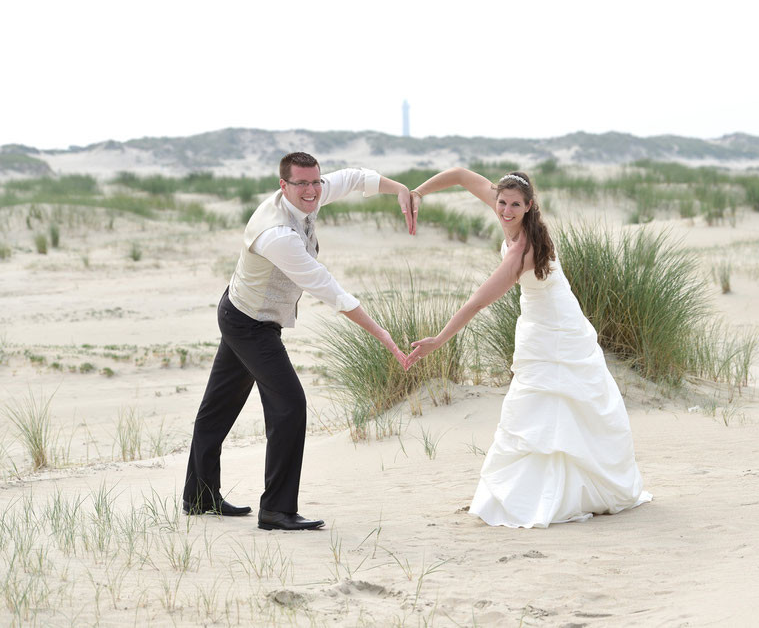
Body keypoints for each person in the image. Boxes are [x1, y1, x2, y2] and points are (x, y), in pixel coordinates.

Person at [406, 168, 651, 528]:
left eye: (514, 206)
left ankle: (557, 491)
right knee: (540, 401)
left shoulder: (523, 252)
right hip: (537, 322)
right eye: (501, 202)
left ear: (529, 206)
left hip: (558, 328)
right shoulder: (504, 204)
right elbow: (459, 175)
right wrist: (418, 193)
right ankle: (555, 486)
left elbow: (477, 302)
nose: (505, 211)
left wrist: (438, 340)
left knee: (554, 400)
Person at [183, 152, 413, 531]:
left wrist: (400, 189)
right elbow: (328, 288)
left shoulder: (314, 194)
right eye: (301, 183)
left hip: (244, 313)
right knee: (290, 406)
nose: (311, 191)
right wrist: (383, 335)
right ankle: (276, 510)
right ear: (283, 185)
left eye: (316, 182)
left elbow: (356, 177)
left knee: (217, 408)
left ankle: (200, 497)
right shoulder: (277, 234)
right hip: (248, 324)